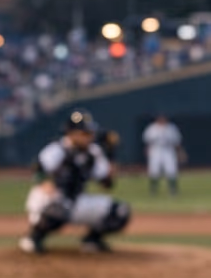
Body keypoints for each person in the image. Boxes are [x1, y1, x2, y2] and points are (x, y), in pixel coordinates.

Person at [19, 108, 131, 254]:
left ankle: (92, 241)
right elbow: (38, 168)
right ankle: (33, 239)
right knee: (59, 206)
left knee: (120, 211)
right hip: (48, 200)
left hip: (76, 200)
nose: (89, 136)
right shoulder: (58, 149)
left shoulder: (92, 152)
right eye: (84, 133)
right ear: (71, 133)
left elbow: (107, 183)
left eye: (89, 133)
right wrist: (46, 183)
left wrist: (111, 155)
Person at [142, 114, 184, 194]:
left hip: (168, 149)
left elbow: (177, 142)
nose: (162, 120)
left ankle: (173, 190)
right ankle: (153, 190)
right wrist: (147, 150)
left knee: (171, 169)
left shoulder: (171, 128)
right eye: (160, 118)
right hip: (155, 150)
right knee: (154, 170)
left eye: (163, 118)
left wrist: (180, 152)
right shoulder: (152, 128)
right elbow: (147, 142)